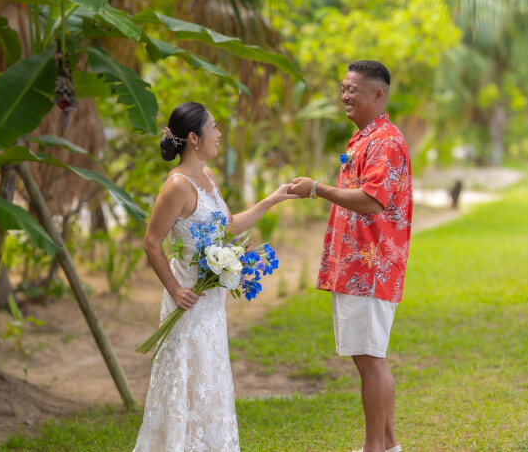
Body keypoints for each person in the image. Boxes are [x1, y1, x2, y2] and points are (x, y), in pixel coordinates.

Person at [133, 102, 296, 452]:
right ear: (194, 138)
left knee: (210, 379)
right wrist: (176, 290)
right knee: (185, 382)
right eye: (214, 126)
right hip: (189, 303)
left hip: (212, 304)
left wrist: (273, 199)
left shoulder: (208, 177)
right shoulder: (176, 186)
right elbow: (151, 242)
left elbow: (229, 226)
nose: (220, 133)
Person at [288, 60, 412, 452]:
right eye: (343, 88)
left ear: (378, 95)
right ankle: (388, 447)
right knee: (366, 356)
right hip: (356, 266)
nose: (345, 95)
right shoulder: (363, 139)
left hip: (371, 267)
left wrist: (316, 189)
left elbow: (372, 202)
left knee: (370, 359)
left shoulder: (386, 141)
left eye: (353, 89)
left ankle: (375, 448)